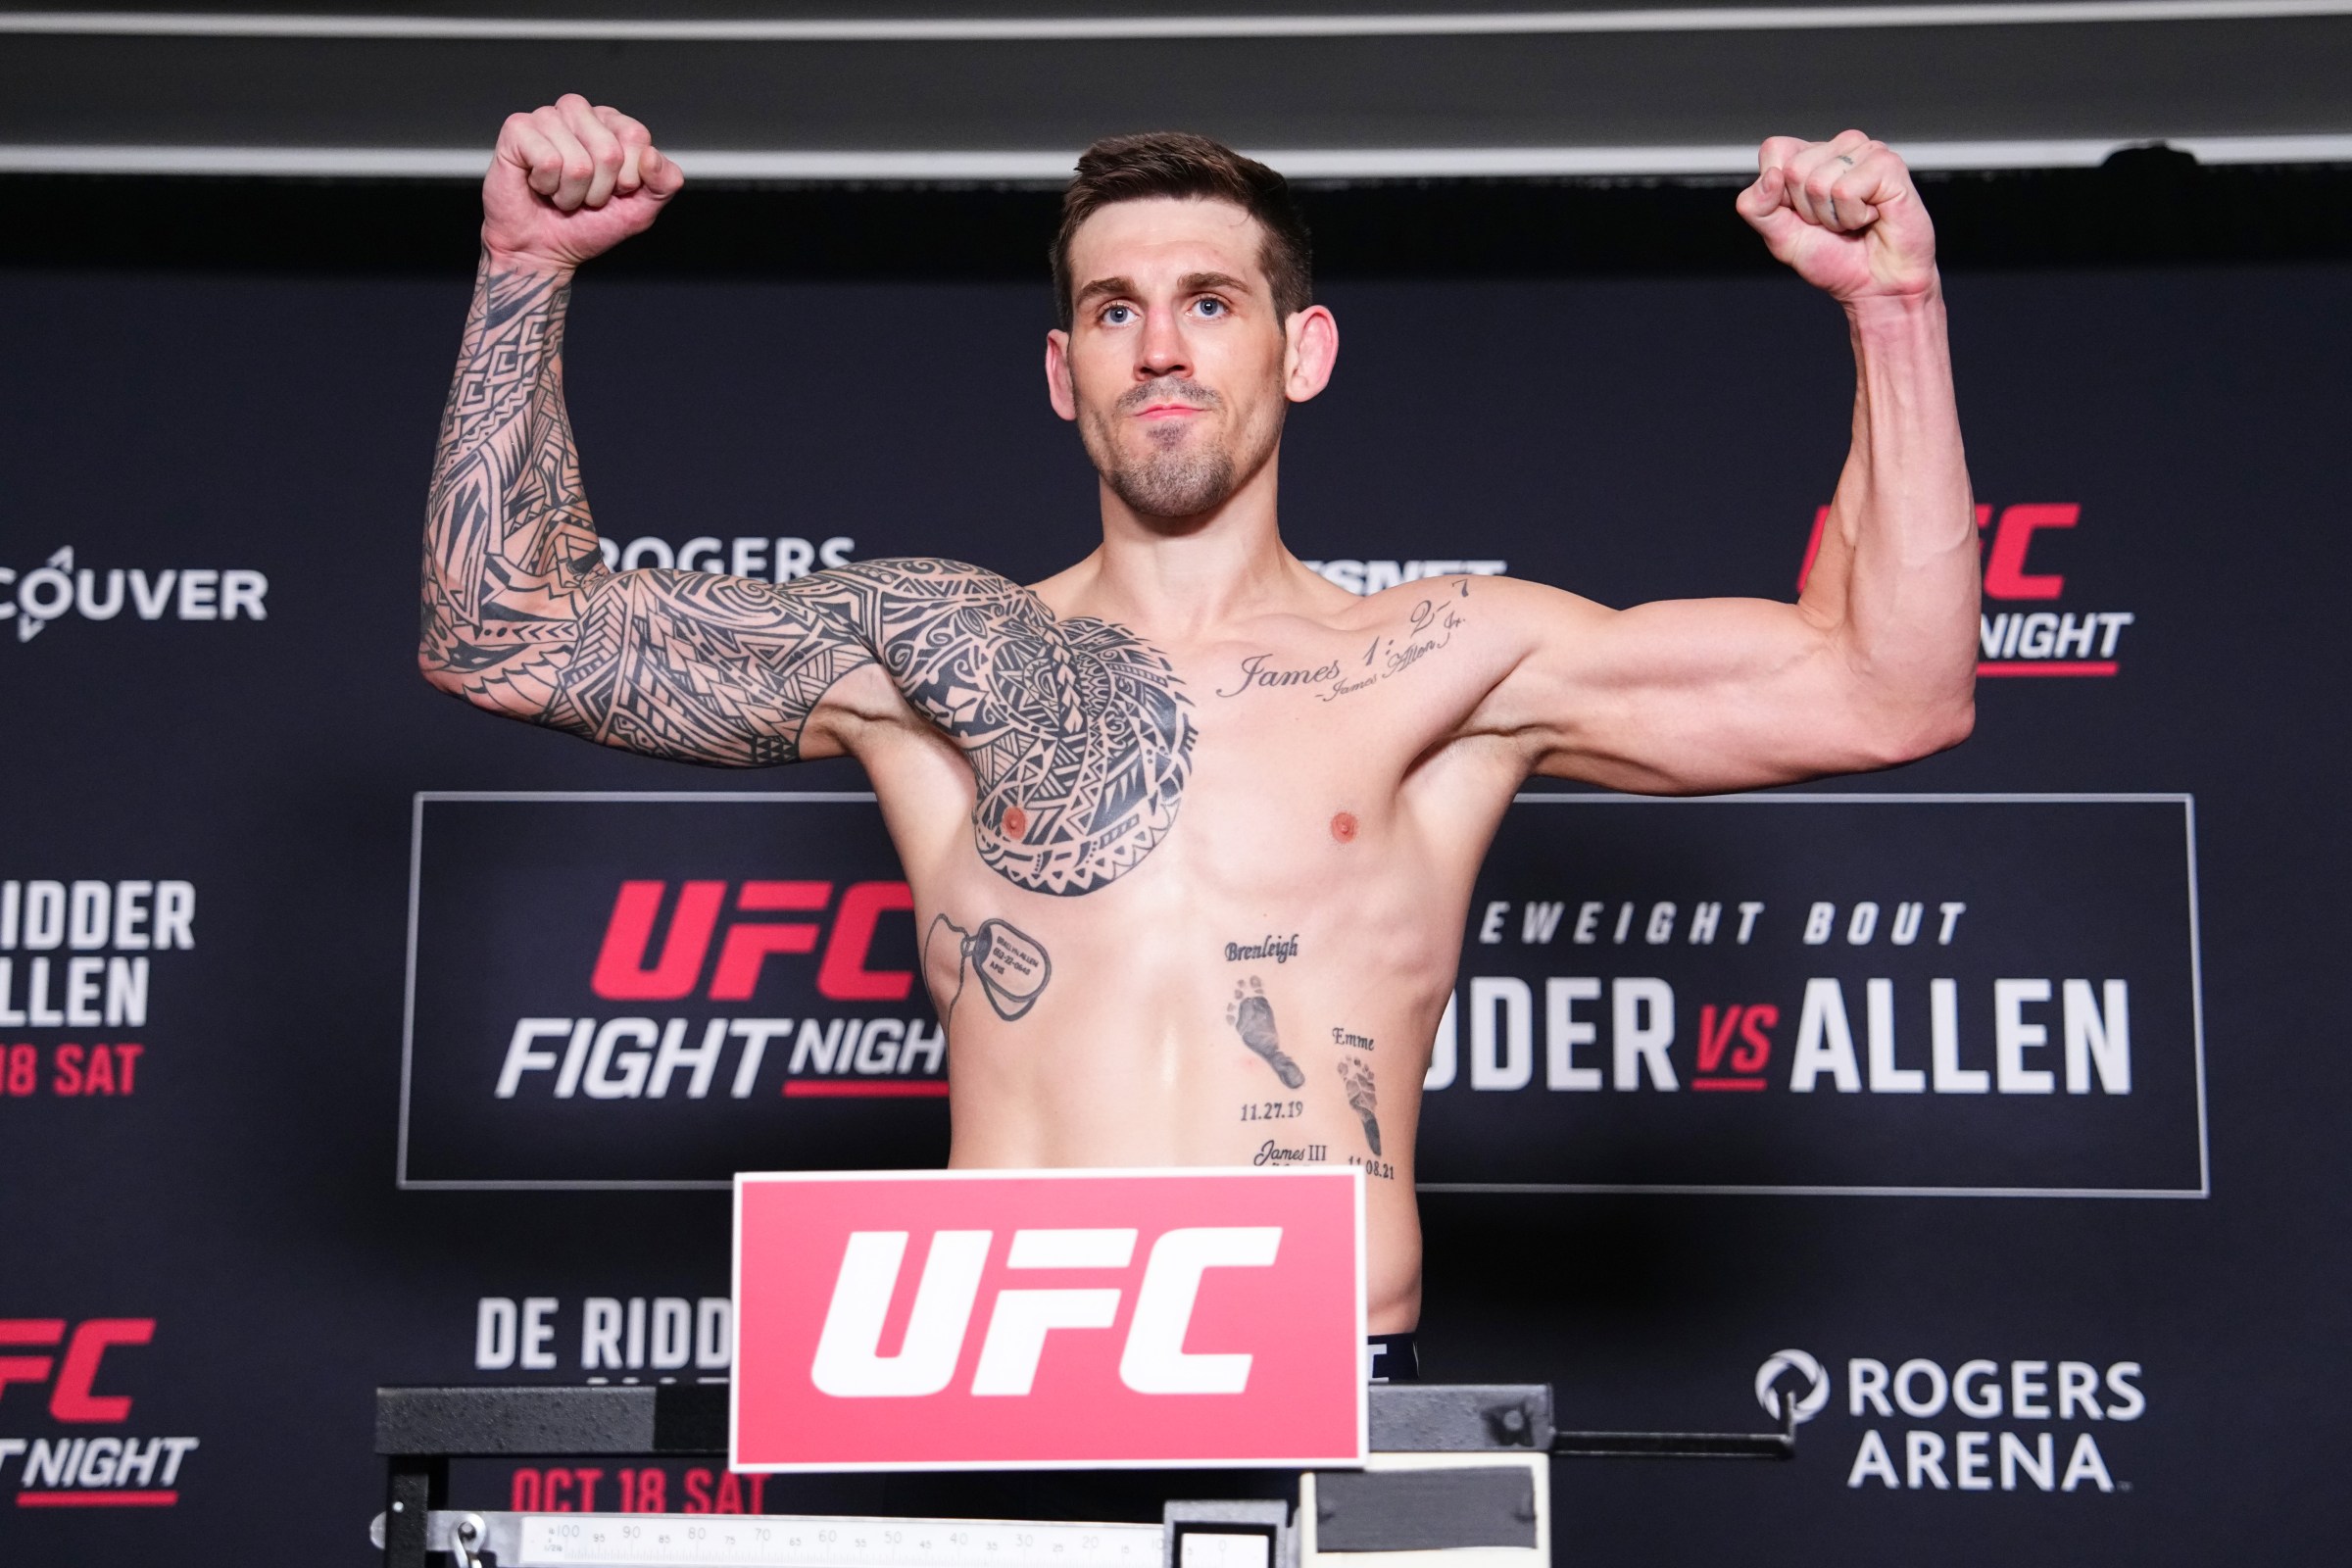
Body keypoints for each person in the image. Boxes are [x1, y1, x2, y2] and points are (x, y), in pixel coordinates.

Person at [419, 95, 1978, 1377]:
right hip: (991, 1398)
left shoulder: (1447, 662)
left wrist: (1893, 309)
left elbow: (1892, 690)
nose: (1161, 348)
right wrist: (523, 265)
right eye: (1115, 311)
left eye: (1210, 303)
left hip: (1332, 1396)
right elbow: (497, 629)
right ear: (1063, 373)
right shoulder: (929, 659)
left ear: (1299, 353)